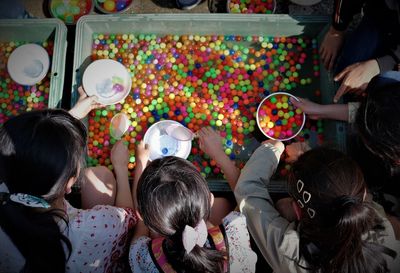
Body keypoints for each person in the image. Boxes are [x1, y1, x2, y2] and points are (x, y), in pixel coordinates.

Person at [0, 87, 137, 273]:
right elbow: (130, 217)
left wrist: (70, 118)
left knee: (98, 174)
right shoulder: (97, 228)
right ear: (70, 183)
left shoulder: (8, 186)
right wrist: (121, 168)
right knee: (102, 175)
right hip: (97, 253)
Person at [235, 140, 400, 272]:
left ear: (299, 213)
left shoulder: (290, 253)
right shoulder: (383, 228)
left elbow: (248, 191)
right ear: (363, 192)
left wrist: (273, 149)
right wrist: (310, 162)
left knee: (280, 207)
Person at [129, 142, 257, 273]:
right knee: (223, 204)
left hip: (160, 240)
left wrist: (141, 162)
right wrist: (219, 155)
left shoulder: (144, 257)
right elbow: (247, 201)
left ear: (141, 215)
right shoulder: (234, 234)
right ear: (209, 199)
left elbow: (140, 232)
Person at [320, 0, 400, 102]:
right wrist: (336, 31)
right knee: (345, 76)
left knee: (385, 91)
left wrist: (378, 65)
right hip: (379, 16)